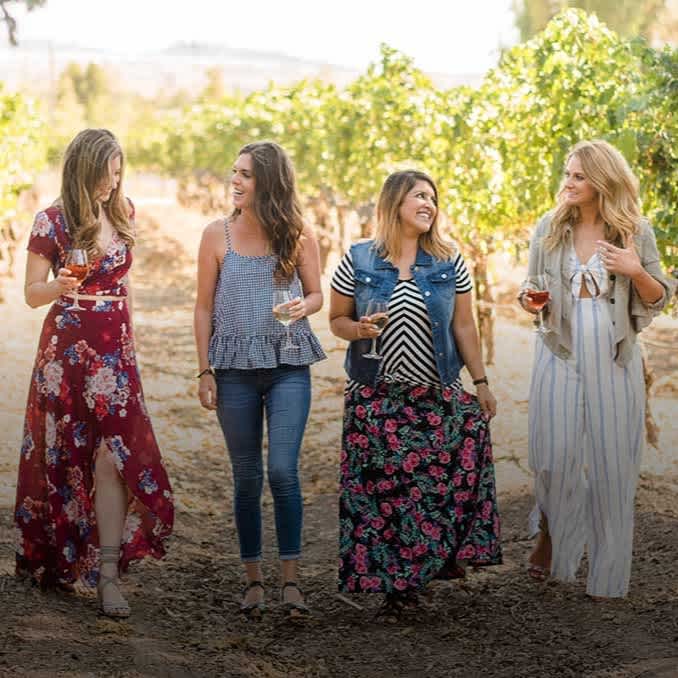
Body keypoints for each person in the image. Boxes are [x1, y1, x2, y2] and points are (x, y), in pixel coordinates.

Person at [329, 169, 502, 622]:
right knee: (382, 498)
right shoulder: (358, 259)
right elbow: (336, 321)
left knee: (426, 494)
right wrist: (359, 330)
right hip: (376, 398)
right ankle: (395, 588)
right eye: (419, 196)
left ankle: (421, 572)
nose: (429, 204)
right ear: (394, 203)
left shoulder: (449, 260)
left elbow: (464, 326)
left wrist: (481, 382)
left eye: (432, 197)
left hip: (434, 397)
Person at [15, 128, 174, 618]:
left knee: (113, 456)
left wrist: (130, 346)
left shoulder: (125, 212)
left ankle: (108, 576)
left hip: (114, 353)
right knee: (67, 453)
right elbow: (31, 294)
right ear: (83, 171)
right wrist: (58, 285)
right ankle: (61, 556)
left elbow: (125, 287)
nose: (113, 183)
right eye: (106, 174)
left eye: (119, 173)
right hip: (65, 351)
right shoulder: (51, 220)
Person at [519, 139, 675, 599]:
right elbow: (530, 288)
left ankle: (606, 578)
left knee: (613, 465)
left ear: (603, 181)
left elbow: (659, 296)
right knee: (552, 458)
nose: (568, 183)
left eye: (579, 176)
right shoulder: (548, 228)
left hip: (613, 355)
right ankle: (552, 532)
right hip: (559, 351)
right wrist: (528, 300)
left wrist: (635, 270)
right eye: (567, 174)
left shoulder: (634, 231)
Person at [194, 141, 326, 620]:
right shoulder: (216, 235)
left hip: (288, 365)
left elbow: (317, 295)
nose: (235, 181)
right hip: (233, 372)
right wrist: (205, 370)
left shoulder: (299, 234)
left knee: (283, 472)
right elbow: (203, 307)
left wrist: (302, 307)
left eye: (245, 174)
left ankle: (290, 580)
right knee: (246, 477)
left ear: (268, 182)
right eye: (234, 171)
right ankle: (253, 580)